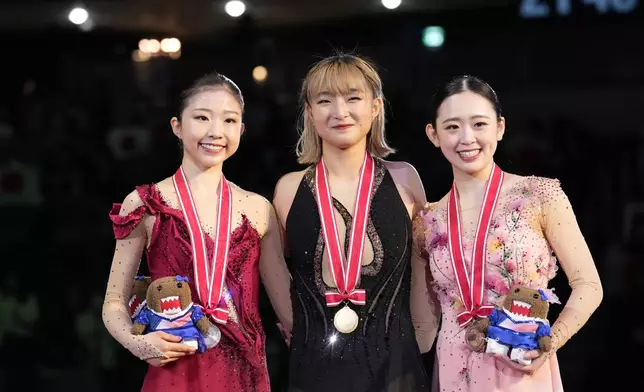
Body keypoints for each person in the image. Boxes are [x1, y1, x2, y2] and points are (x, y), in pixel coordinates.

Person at [102, 72, 293, 392]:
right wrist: (139, 344)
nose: (216, 131)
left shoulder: (258, 208)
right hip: (175, 370)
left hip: (245, 375)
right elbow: (113, 302)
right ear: (177, 125)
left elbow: (289, 310)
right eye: (202, 117)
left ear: (242, 130)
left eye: (229, 121)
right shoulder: (146, 203)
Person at [412, 75, 603, 391]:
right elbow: (423, 323)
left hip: (522, 364)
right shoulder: (427, 221)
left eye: (479, 124)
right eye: (452, 127)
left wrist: (549, 343)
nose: (467, 138)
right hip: (453, 369)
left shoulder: (539, 195)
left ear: (499, 127)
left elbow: (588, 285)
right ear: (433, 135)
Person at [272, 53, 434, 392]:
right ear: (309, 113)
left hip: (397, 366)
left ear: (375, 107)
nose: (339, 111)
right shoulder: (288, 189)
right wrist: (300, 331)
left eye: (353, 98)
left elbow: (421, 268)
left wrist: (423, 336)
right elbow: (279, 277)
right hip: (314, 367)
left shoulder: (405, 179)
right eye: (325, 100)